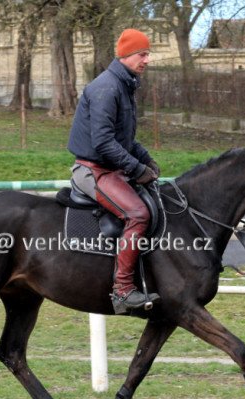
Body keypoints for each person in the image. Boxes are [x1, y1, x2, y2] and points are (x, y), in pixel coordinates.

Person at [68, 28, 160, 314]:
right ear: (127, 55)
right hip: (92, 171)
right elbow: (103, 142)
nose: (147, 59)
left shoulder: (124, 84)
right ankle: (122, 292)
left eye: (147, 54)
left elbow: (126, 139)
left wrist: (147, 161)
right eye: (142, 54)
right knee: (138, 213)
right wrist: (136, 168)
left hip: (110, 168)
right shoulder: (107, 88)